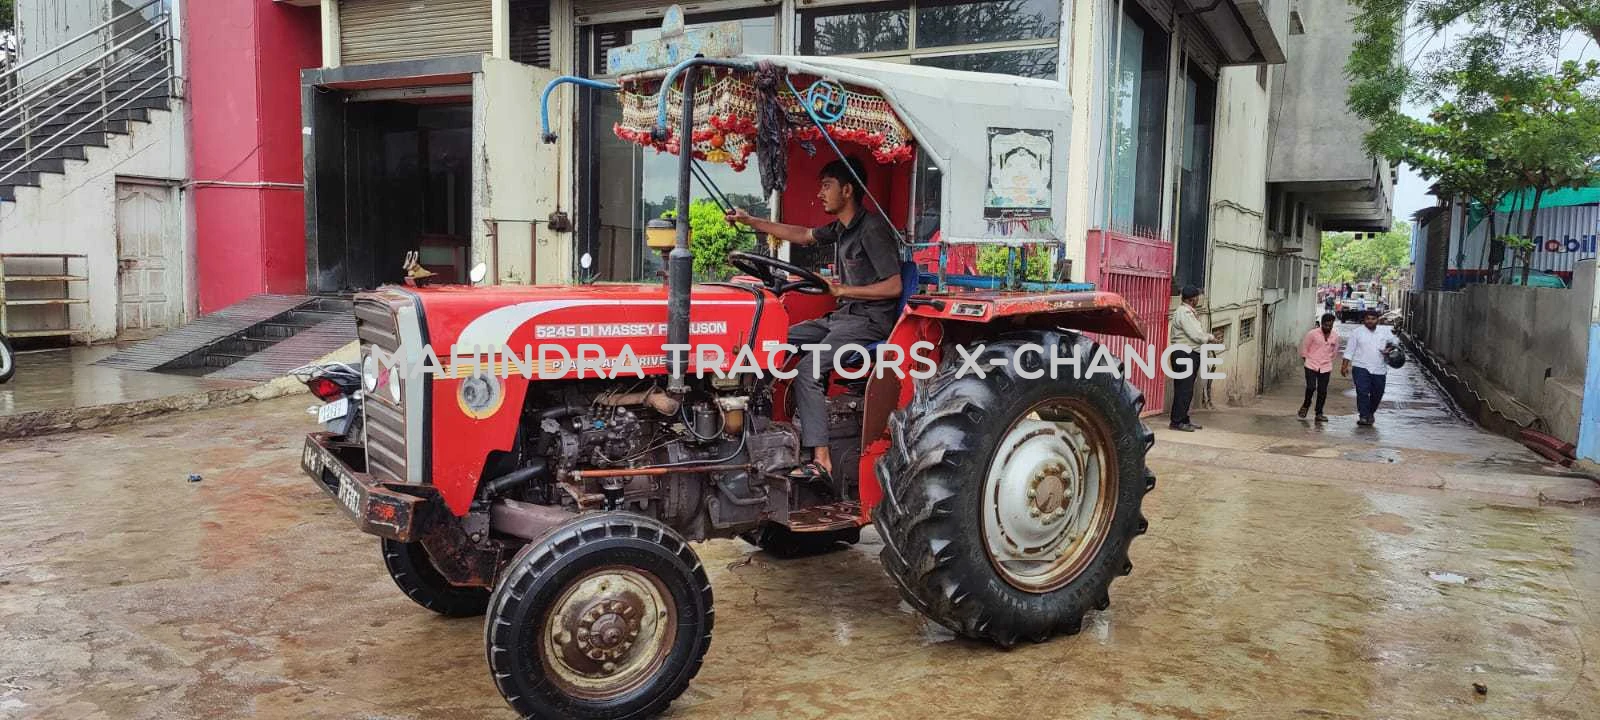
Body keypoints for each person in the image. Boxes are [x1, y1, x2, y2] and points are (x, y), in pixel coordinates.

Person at [726, 157, 902, 483]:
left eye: (826, 186)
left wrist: (844, 289)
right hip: (842, 318)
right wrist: (751, 221)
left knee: (808, 370)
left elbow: (894, 286)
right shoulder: (841, 229)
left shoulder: (872, 229)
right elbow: (802, 234)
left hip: (868, 323)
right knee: (773, 341)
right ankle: (753, 428)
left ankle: (822, 461)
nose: (820, 193)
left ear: (847, 190)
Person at [1167, 285, 1217, 432]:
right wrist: (1210, 338)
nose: (1198, 299)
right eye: (1197, 297)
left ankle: (1184, 419)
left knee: (1186, 389)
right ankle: (1177, 421)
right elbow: (1196, 335)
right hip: (1185, 354)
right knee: (1184, 389)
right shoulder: (1185, 313)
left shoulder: (1187, 312)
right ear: (1192, 299)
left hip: (1188, 353)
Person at [1341, 308, 1399, 426]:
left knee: (1378, 393)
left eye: (1373, 319)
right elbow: (1349, 350)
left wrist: (1389, 349)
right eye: (1368, 319)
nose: (1370, 321)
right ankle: (1363, 416)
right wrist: (1344, 366)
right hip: (1360, 366)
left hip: (1379, 368)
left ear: (1377, 320)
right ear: (1364, 320)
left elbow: (1395, 342)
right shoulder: (1357, 332)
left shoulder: (1384, 332)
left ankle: (1370, 412)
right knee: (1362, 391)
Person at [1299, 313, 1339, 422]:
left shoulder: (1335, 336)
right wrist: (1307, 360)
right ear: (1322, 323)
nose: (1328, 327)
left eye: (1330, 326)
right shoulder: (1312, 334)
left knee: (1322, 390)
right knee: (1311, 387)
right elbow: (1305, 348)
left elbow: (1334, 352)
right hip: (1311, 364)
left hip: (1326, 366)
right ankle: (1306, 404)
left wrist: (1328, 360)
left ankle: (1319, 413)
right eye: (1326, 325)